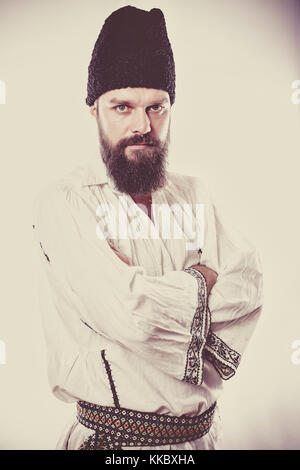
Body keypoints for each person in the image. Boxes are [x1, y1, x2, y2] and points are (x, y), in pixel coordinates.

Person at [32, 5, 263, 450]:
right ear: (94, 110)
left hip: (201, 442)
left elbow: (249, 287)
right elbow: (132, 314)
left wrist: (158, 294)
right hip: (112, 444)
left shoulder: (197, 195)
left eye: (157, 107)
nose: (143, 126)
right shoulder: (66, 203)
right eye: (123, 107)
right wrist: (202, 279)